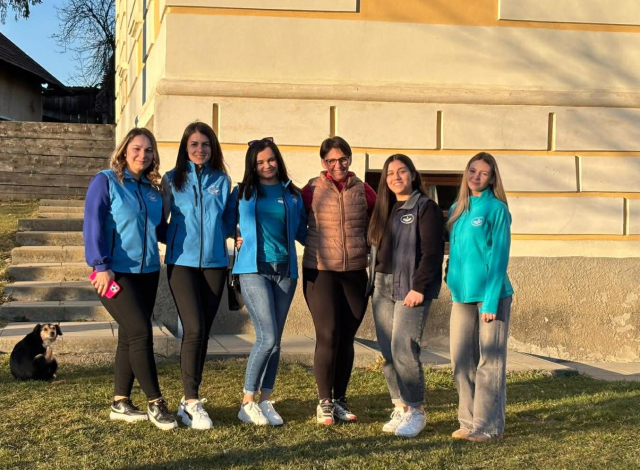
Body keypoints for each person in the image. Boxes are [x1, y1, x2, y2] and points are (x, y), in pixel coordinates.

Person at [84, 127, 177, 430]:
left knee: (129, 335)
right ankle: (155, 402)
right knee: (140, 332)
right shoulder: (105, 181)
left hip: (148, 272)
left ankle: (120, 402)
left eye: (149, 150)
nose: (143, 155)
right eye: (137, 148)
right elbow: (93, 225)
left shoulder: (152, 190)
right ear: (124, 150)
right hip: (114, 273)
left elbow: (159, 230)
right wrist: (100, 265)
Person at [161, 122, 234, 430]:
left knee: (203, 331)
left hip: (215, 264)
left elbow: (227, 219)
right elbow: (160, 221)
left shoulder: (222, 180)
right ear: (185, 147)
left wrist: (228, 235)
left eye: (205, 144)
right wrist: (175, 240)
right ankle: (191, 401)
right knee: (194, 328)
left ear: (212, 147)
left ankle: (188, 399)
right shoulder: (171, 179)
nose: (200, 149)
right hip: (182, 264)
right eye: (194, 144)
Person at [230, 137, 307, 426]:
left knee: (276, 342)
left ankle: (265, 400)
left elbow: (303, 231)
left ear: (278, 160)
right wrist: (234, 235)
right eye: (260, 162)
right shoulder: (242, 192)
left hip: (285, 272)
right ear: (252, 165)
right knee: (268, 337)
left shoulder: (293, 194)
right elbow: (224, 221)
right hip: (253, 270)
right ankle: (247, 402)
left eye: (271, 159)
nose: (266, 166)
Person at [367, 154, 444, 438]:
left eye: (401, 171)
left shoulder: (425, 207)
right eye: (390, 173)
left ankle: (416, 410)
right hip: (382, 285)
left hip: (410, 286)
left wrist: (419, 287)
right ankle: (399, 406)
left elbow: (432, 253)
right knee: (388, 352)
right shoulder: (384, 208)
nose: (395, 177)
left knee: (404, 348)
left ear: (412, 174)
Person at [301, 136, 376, 425]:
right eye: (331, 160)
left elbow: (380, 221)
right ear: (323, 162)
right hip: (320, 272)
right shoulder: (312, 190)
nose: (338, 165)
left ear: (350, 159)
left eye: (342, 159)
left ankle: (341, 399)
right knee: (328, 334)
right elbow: (292, 221)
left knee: (346, 337)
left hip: (355, 272)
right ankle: (325, 401)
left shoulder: (364, 190)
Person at [445, 152, 514, 443]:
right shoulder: (457, 209)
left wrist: (491, 300)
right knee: (461, 359)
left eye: (483, 173)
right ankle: (468, 421)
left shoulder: (496, 209)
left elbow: (499, 257)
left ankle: (488, 426)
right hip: (461, 296)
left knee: (490, 362)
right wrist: (450, 280)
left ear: (492, 178)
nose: (476, 176)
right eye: (472, 171)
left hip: (491, 296)